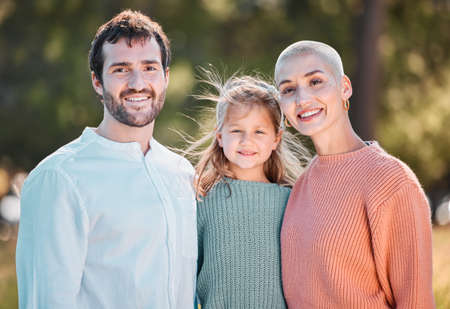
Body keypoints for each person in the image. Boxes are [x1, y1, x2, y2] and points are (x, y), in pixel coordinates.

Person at [16, 10, 197, 308]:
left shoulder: (181, 173)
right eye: (121, 69)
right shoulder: (59, 178)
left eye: (150, 68)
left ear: (165, 78)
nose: (138, 83)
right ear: (97, 82)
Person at [274, 40, 435, 308]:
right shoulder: (300, 185)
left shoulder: (390, 181)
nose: (302, 99)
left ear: (344, 87)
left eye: (315, 81)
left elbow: (415, 300)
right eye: (288, 89)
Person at [189, 72, 310, 308]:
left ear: (276, 139)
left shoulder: (291, 202)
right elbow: (185, 274)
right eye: (236, 131)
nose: (247, 141)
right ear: (220, 136)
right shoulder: (202, 199)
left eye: (259, 132)